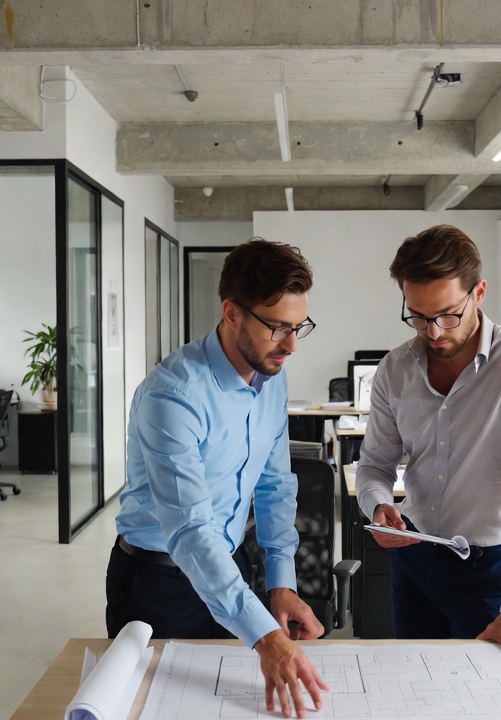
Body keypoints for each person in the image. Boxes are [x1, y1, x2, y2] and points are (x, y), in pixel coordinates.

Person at [106, 239, 329, 719]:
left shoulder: (273, 376)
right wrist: (265, 634)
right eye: (277, 328)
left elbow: (275, 485)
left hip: (231, 567)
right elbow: (189, 531)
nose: (291, 345)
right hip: (158, 579)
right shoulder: (173, 395)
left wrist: (281, 583)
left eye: (298, 327)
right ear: (232, 313)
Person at [355, 225, 501, 660]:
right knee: (416, 684)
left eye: (447, 314)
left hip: (489, 568)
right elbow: (374, 465)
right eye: (418, 316)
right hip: (414, 560)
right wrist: (377, 506)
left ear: (479, 293)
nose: (432, 331)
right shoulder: (395, 368)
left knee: (490, 697)